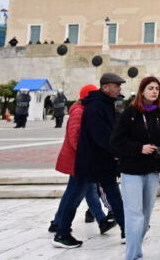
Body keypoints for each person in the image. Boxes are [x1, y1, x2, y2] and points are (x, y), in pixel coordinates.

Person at [54, 73, 126, 248]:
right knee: (74, 196)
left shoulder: (105, 104)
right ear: (105, 87)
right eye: (116, 85)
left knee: (114, 194)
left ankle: (128, 229)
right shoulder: (95, 107)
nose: (119, 88)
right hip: (90, 161)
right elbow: (100, 135)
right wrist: (117, 151)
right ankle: (62, 233)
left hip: (102, 160)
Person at [110, 76, 160, 260]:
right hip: (131, 171)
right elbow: (116, 141)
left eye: (157, 89)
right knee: (134, 216)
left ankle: (135, 252)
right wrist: (139, 148)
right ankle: (132, 256)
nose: (154, 91)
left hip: (152, 171)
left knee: (145, 218)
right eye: (150, 88)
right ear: (142, 91)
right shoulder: (130, 112)